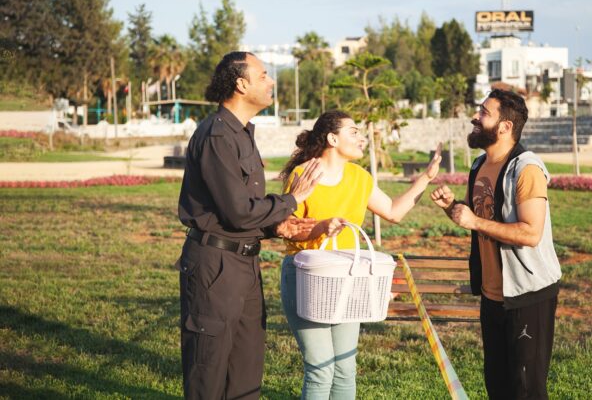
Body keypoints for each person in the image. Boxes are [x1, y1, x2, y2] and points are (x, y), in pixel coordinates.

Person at [177, 51, 322, 400]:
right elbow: (238, 212)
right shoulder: (216, 136)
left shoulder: (241, 133)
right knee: (209, 372)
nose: (271, 81)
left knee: (246, 369)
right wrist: (291, 200)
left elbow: (244, 209)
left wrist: (279, 227)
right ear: (241, 84)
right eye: (263, 75)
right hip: (215, 267)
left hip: (245, 264)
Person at [279, 110, 442, 399]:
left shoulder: (359, 177)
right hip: (306, 276)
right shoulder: (303, 174)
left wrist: (426, 178)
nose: (362, 138)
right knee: (320, 369)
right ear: (332, 138)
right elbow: (285, 229)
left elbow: (393, 212)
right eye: (353, 132)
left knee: (344, 368)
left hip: (344, 276)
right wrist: (319, 228)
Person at [430, 89, 561, 399]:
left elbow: (531, 233)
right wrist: (453, 208)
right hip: (492, 296)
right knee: (498, 385)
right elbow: (479, 219)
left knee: (526, 389)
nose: (475, 117)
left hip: (527, 295)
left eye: (484, 113)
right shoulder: (479, 165)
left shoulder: (526, 169)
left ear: (505, 127)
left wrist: (473, 221)